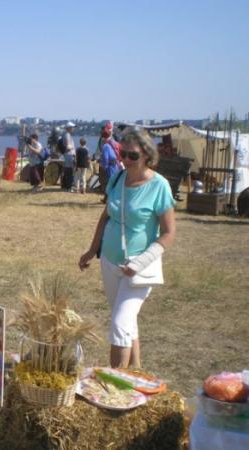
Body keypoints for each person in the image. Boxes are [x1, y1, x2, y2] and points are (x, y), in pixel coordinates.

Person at [78, 127, 176, 369]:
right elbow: (106, 216)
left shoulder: (159, 186)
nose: (126, 160)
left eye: (133, 156)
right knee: (126, 321)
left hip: (139, 269)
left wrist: (141, 262)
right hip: (110, 263)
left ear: (147, 156)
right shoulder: (118, 178)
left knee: (120, 325)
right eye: (123, 154)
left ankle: (115, 389)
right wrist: (92, 250)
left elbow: (168, 233)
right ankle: (137, 371)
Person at [99, 121, 122, 194]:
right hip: (116, 165)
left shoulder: (106, 146)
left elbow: (105, 158)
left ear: (103, 137)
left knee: (109, 184)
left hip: (110, 167)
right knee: (115, 183)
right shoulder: (115, 143)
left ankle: (109, 199)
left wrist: (104, 167)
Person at [61, 122, 76, 191]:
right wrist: (72, 149)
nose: (73, 129)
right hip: (69, 154)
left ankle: (65, 185)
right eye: (72, 127)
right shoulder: (67, 135)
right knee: (70, 171)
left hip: (67, 154)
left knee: (67, 170)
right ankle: (69, 187)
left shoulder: (66, 134)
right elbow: (68, 146)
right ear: (69, 128)